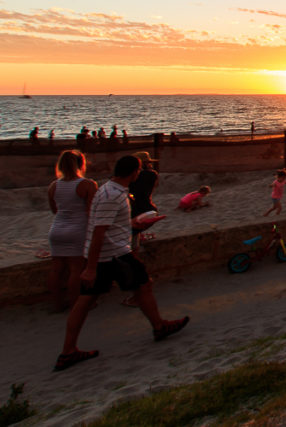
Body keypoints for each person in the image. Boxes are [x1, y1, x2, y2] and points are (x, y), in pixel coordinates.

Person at [55, 155, 189, 372]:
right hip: (111, 255)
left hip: (109, 253)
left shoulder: (109, 189)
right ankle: (158, 326)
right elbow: (99, 232)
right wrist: (90, 268)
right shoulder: (113, 195)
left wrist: (133, 222)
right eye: (139, 171)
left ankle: (158, 326)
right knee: (93, 300)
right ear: (134, 172)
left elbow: (106, 223)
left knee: (137, 287)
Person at [47, 150, 98, 312]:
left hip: (57, 229)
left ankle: (57, 304)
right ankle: (76, 304)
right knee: (76, 269)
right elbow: (92, 211)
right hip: (78, 229)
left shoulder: (54, 185)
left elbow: (55, 210)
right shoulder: (88, 184)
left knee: (57, 269)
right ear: (80, 164)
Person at [128, 151, 161, 249]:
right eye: (149, 163)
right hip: (145, 208)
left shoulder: (131, 177)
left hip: (133, 208)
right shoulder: (151, 175)